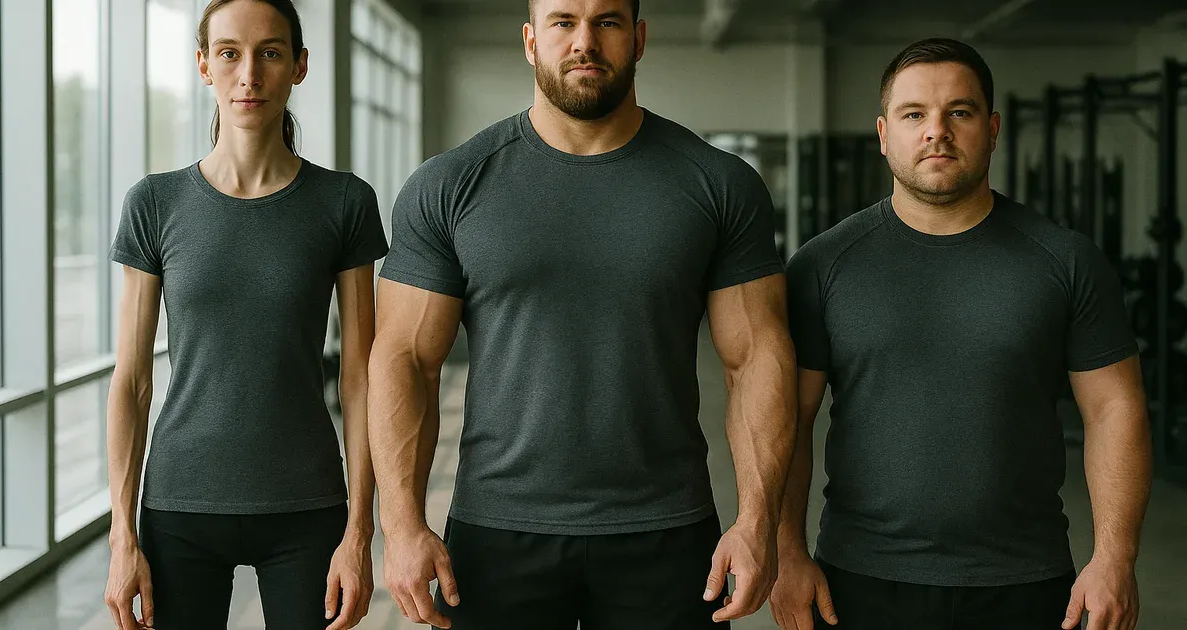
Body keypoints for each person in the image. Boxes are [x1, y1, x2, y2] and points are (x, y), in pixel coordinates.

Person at [367, 0, 798, 628]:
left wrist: (758, 523)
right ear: (530, 40)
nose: (585, 41)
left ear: (639, 38)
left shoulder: (718, 184)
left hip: (667, 532)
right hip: (498, 531)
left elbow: (758, 355)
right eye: (564, 21)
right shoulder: (451, 184)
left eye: (608, 22)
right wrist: (401, 528)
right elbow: (405, 358)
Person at [770, 38, 1151, 630]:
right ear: (883, 132)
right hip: (858, 580)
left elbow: (1114, 411)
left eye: (961, 112)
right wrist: (786, 553)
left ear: (992, 128)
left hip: (1025, 581)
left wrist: (1115, 559)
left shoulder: (1066, 261)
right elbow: (788, 420)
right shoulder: (823, 266)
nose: (936, 132)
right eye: (914, 114)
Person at [102, 1, 388, 628]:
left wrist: (361, 532)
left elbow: (362, 378)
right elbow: (131, 381)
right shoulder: (155, 203)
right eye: (229, 53)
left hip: (308, 507)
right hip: (180, 508)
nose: (249, 74)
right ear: (205, 66)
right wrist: (123, 537)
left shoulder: (344, 203)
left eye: (271, 52)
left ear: (299, 67)